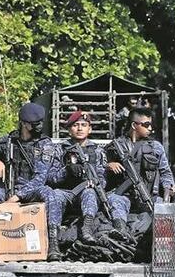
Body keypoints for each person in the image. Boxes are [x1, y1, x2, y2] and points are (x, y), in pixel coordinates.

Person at [0, 102, 55, 259]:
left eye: (40, 123)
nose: (39, 127)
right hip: (7, 189)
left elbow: (40, 178)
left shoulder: (45, 144)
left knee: (49, 192)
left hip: (31, 193)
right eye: (35, 124)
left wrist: (16, 198)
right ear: (24, 123)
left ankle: (51, 246)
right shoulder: (7, 142)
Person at [46, 110, 129, 259]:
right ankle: (53, 243)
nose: (79, 128)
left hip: (87, 195)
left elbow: (102, 180)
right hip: (66, 193)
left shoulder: (97, 152)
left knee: (90, 192)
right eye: (75, 125)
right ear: (69, 129)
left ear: (89, 129)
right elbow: (50, 178)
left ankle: (87, 230)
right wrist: (67, 171)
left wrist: (91, 183)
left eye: (84, 125)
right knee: (54, 195)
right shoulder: (58, 149)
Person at [106, 107, 175, 210]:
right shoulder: (116, 146)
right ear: (134, 125)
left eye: (150, 125)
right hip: (123, 196)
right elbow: (98, 168)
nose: (150, 128)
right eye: (146, 125)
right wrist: (108, 165)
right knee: (115, 203)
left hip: (150, 197)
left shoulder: (155, 147)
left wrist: (169, 188)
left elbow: (165, 172)